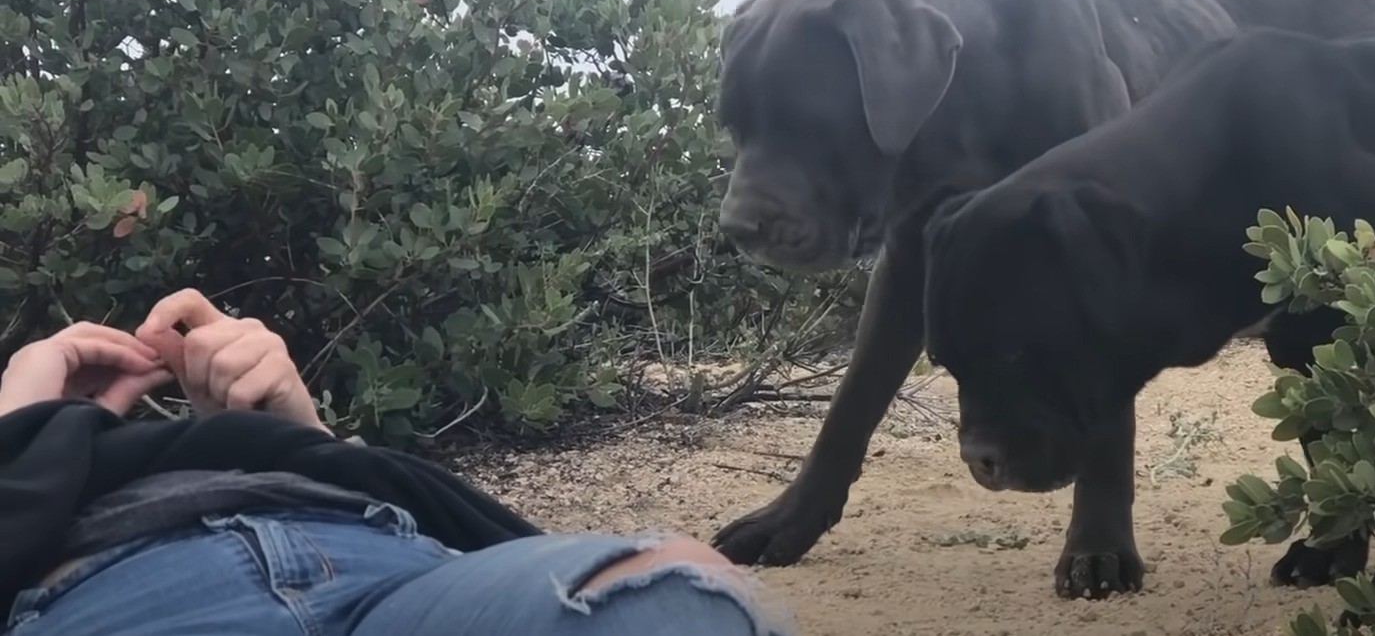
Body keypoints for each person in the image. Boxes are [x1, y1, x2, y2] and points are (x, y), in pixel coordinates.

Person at [0, 289, 795, 636]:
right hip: (113, 590)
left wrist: (298, 427)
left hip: (382, 559)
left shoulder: (295, 450)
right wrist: (17, 423)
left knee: (675, 593)